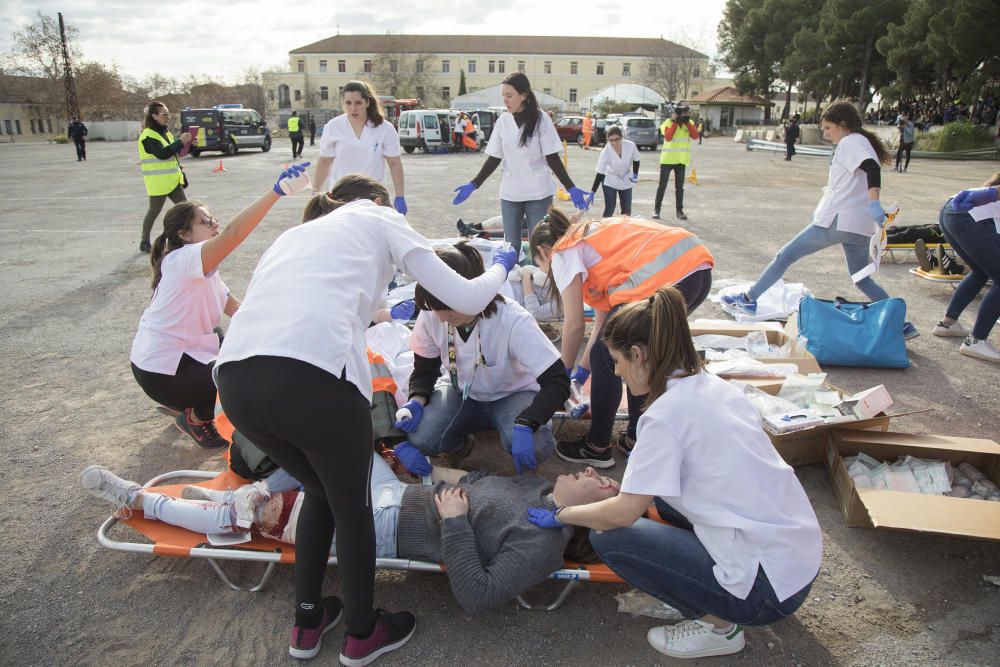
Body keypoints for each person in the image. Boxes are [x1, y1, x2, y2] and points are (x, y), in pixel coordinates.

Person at [213, 174, 517, 664]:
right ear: (376, 201)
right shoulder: (379, 215)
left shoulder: (296, 236)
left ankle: (307, 623)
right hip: (313, 378)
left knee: (320, 492)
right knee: (351, 505)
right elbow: (465, 296)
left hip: (236, 380)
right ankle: (361, 632)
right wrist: (501, 265)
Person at [526, 286, 822, 660]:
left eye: (615, 361)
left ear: (638, 354)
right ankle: (706, 587)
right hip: (796, 557)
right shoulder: (713, 385)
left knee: (609, 538)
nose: (615, 371)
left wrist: (562, 514)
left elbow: (621, 514)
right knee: (661, 503)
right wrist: (632, 491)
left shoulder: (664, 416)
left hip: (767, 593)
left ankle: (718, 625)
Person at [80, 456, 619, 617]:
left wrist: (454, 523)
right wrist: (427, 468)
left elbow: (477, 595)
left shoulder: (542, 544)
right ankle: (242, 497)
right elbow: (472, 482)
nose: (596, 473)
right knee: (338, 443)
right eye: (602, 474)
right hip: (399, 492)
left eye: (602, 482)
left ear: (592, 509)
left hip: (384, 527)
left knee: (267, 517)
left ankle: (139, 499)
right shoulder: (536, 489)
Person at [130, 163, 311, 451]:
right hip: (160, 372)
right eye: (206, 222)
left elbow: (237, 309)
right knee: (240, 378)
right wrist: (276, 192)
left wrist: (286, 327)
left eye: (213, 218)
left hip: (175, 360)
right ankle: (194, 415)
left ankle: (189, 397)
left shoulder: (201, 267)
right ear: (185, 235)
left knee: (241, 347)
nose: (215, 224)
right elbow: (233, 234)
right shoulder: (184, 259)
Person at [529, 208, 714, 468]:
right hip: (695, 272)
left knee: (610, 354)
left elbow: (574, 326)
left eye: (539, 264)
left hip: (672, 274)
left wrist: (560, 376)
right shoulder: (590, 244)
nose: (543, 269)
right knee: (633, 354)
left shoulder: (563, 250)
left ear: (542, 252)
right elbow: (602, 326)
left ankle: (597, 445)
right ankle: (637, 438)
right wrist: (581, 372)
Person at [722, 100, 919, 340]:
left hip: (838, 220)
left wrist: (874, 201)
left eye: (828, 128)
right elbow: (868, 169)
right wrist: (872, 206)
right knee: (861, 278)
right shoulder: (862, 141)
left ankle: (748, 299)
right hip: (859, 225)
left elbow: (870, 169)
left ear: (843, 125)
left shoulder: (850, 142)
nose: (826, 134)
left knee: (785, 255)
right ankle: (900, 324)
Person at [391, 242, 570, 476]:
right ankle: (461, 445)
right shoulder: (432, 313)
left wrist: (529, 422)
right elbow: (425, 369)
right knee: (422, 437)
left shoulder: (513, 320)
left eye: (448, 308)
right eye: (435, 309)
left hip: (513, 395)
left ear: (472, 294)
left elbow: (558, 381)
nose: (442, 317)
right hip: (460, 393)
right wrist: (416, 400)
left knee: (537, 444)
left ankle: (514, 434)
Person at [452, 72, 589, 245]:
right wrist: (474, 184)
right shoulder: (503, 121)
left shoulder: (541, 120)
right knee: (510, 245)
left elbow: (552, 158)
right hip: (511, 192)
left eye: (509, 96)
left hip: (538, 193)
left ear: (523, 95)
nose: (505, 100)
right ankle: (512, 273)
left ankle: (538, 272)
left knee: (538, 244)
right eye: (503, 96)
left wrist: (571, 187)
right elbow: (494, 158)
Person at [931, 174, 1000, 363]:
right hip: (969, 216)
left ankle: (947, 324)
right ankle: (976, 341)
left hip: (951, 209)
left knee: (980, 272)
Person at [313, 81, 407, 215]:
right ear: (343, 103)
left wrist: (400, 195)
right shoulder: (333, 127)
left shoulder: (385, 129)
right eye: (348, 103)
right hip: (339, 197)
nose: (353, 108)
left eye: (358, 103)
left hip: (373, 197)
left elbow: (394, 163)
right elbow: (324, 162)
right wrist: (315, 193)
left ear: (367, 102)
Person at [138, 101, 195, 254]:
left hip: (173, 180)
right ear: (154, 116)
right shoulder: (148, 136)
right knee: (154, 211)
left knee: (186, 210)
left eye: (168, 114)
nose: (167, 117)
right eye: (164, 114)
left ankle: (185, 239)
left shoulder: (166, 133)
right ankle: (144, 241)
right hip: (158, 183)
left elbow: (173, 155)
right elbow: (162, 154)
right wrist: (180, 141)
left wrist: (187, 145)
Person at [654, 104, 698, 221]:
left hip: (681, 160)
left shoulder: (690, 123)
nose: (683, 115)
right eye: (681, 113)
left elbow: (695, 136)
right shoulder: (667, 122)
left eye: (686, 113)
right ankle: (657, 210)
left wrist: (687, 123)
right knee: (662, 186)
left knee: (680, 188)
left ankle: (679, 211)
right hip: (667, 160)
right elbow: (668, 137)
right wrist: (674, 122)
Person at [590, 125, 640, 217]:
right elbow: (600, 172)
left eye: (616, 139)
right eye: (611, 140)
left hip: (626, 178)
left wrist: (635, 174)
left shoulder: (630, 145)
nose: (614, 143)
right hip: (610, 179)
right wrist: (593, 191)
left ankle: (623, 230)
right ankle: (605, 229)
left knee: (627, 210)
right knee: (610, 208)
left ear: (621, 137)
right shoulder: (605, 151)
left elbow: (636, 159)